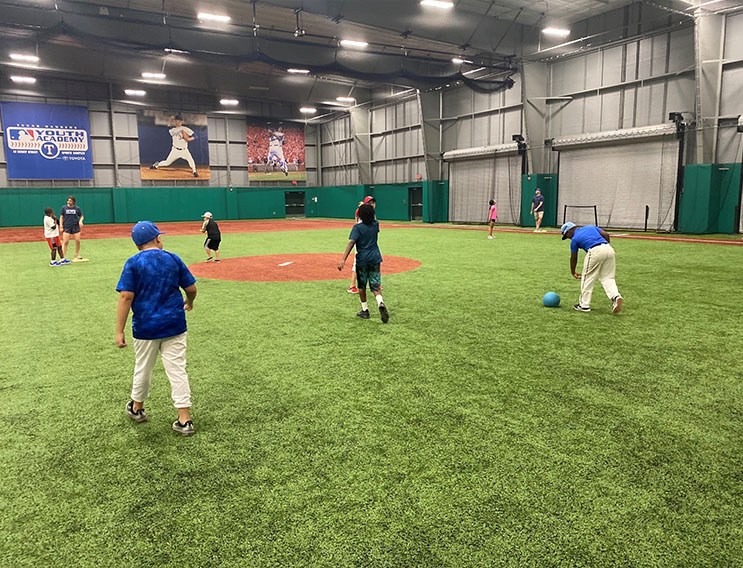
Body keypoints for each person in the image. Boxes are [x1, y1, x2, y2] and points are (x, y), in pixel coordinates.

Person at [115, 221, 198, 436]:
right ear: (157, 239)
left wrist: (119, 330)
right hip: (174, 323)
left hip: (145, 327)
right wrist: (189, 301)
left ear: (137, 245)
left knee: (143, 367)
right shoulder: (172, 258)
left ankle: (137, 408)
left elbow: (126, 296)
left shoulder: (132, 263)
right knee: (177, 370)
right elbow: (191, 287)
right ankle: (184, 419)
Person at [338, 202, 389, 323]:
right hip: (375, 258)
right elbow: (374, 220)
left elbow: (351, 242)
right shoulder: (375, 225)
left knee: (362, 286)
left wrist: (343, 259)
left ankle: (365, 310)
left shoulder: (357, 228)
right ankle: (380, 302)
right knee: (375, 285)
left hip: (362, 259)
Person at [560, 221, 623, 315]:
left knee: (587, 278)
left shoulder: (574, 239)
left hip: (594, 251)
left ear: (569, 231)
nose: (568, 238)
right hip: (609, 249)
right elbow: (605, 234)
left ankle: (583, 305)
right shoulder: (590, 227)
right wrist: (606, 246)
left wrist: (573, 272)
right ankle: (615, 296)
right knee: (608, 277)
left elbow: (574, 257)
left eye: (566, 236)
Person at [348, 196, 376, 294]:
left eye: (373, 202)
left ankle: (375, 284)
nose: (372, 204)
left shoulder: (372, 215)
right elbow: (356, 222)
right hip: (360, 241)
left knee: (372, 261)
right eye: (370, 202)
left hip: (369, 241)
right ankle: (352, 286)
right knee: (358, 261)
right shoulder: (360, 212)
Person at [59, 195, 84, 260]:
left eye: (70, 201)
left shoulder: (77, 208)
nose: (69, 202)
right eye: (68, 200)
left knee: (78, 241)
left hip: (75, 226)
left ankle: (77, 254)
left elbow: (81, 216)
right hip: (67, 226)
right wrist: (61, 226)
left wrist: (80, 221)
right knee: (65, 242)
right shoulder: (64, 208)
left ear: (73, 202)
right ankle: (63, 257)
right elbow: (61, 217)